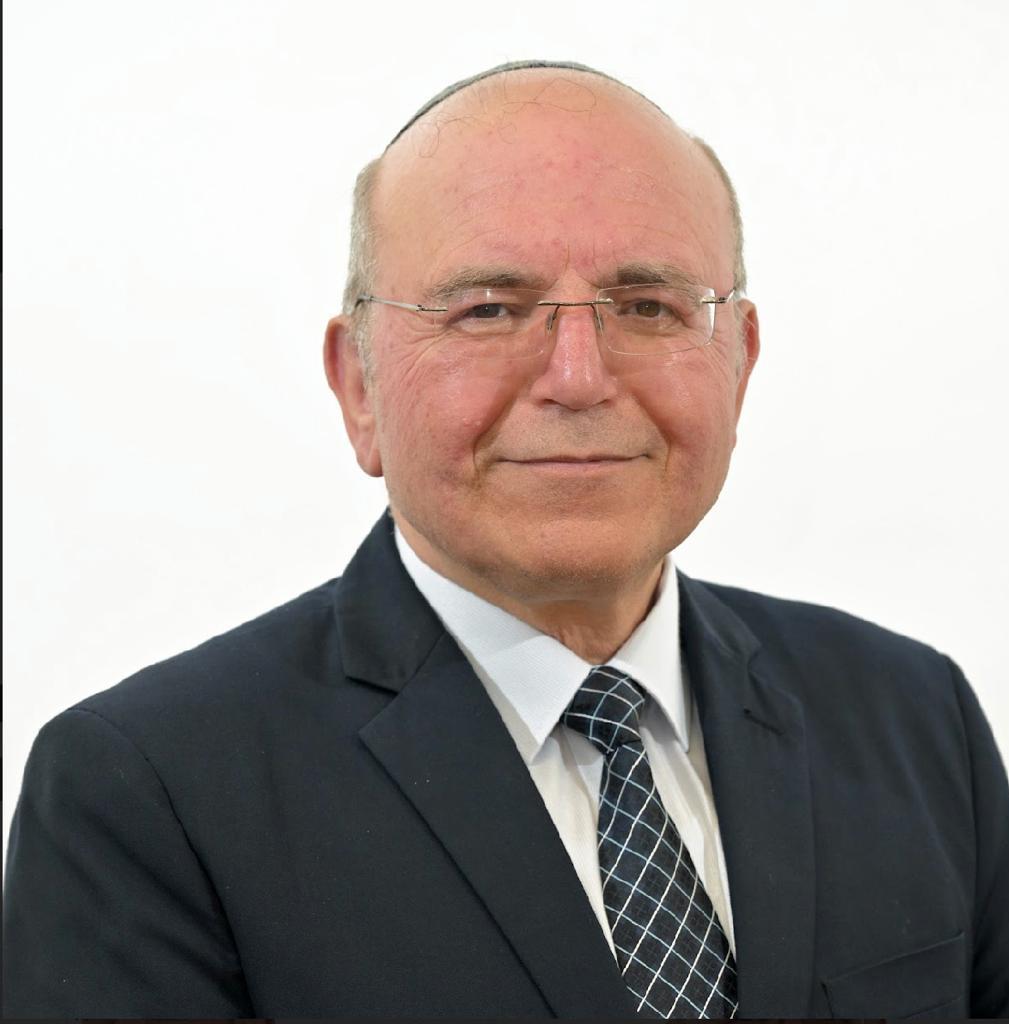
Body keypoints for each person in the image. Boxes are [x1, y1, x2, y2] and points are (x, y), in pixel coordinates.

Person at [4, 59, 1007, 1020]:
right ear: (358, 386)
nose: (577, 377)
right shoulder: (149, 795)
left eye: (647, 306)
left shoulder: (916, 720)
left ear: (738, 365)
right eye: (487, 309)